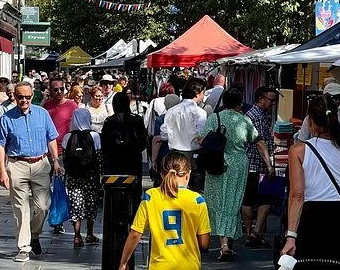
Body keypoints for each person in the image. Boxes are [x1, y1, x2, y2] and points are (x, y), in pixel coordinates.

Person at [281, 95, 340, 269]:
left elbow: (297, 195)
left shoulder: (298, 151)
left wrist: (291, 235)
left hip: (309, 220)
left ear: (310, 121)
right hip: (338, 221)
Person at [0, 82, 63, 263]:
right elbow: (0, 145)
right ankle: (23, 247)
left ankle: (34, 234)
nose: (24, 100)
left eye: (27, 97)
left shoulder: (42, 114)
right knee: (21, 209)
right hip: (17, 165)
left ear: (33, 96)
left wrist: (56, 161)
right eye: (20, 97)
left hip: (41, 163)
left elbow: (52, 138)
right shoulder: (7, 118)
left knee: (43, 206)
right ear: (14, 97)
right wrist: (2, 171)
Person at [199, 88, 269, 261]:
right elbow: (259, 142)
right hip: (238, 166)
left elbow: (201, 139)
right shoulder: (244, 121)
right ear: (239, 103)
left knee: (217, 202)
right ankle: (226, 245)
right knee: (232, 203)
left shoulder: (215, 118)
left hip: (216, 164)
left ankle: (223, 244)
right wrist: (269, 164)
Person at [117, 152, 211, 270]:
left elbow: (135, 234)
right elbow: (204, 243)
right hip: (189, 265)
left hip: (159, 265)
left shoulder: (150, 197)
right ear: (188, 175)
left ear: (162, 175)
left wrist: (124, 262)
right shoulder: (197, 200)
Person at [242, 86, 277, 247]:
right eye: (271, 100)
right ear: (261, 98)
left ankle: (251, 233)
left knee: (250, 200)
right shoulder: (256, 115)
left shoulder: (256, 114)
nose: (272, 103)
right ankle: (254, 232)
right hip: (257, 164)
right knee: (264, 199)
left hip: (252, 163)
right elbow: (260, 142)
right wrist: (269, 165)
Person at [62, 108, 102, 247]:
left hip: (74, 177)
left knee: (76, 205)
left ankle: (77, 236)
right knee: (91, 204)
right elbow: (99, 157)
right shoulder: (95, 136)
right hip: (90, 177)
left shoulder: (68, 137)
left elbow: (65, 158)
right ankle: (90, 234)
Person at [43, 75, 78, 234]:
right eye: (55, 89)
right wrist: (43, 101)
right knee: (47, 187)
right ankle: (54, 217)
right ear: (50, 90)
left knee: (63, 187)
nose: (58, 92)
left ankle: (60, 219)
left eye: (61, 89)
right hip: (48, 151)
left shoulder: (73, 106)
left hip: (65, 152)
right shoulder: (46, 106)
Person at [102, 92, 149, 180]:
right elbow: (144, 141)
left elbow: (104, 143)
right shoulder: (136, 119)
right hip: (132, 161)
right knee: (134, 189)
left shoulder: (109, 121)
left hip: (114, 161)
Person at [150, 93, 181, 186]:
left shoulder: (160, 119)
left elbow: (157, 140)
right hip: (179, 154)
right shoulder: (182, 117)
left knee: (163, 181)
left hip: (164, 154)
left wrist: (153, 160)